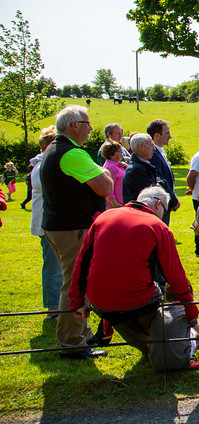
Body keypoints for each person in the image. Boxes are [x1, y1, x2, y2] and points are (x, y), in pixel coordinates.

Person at [68, 186, 197, 356]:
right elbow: (174, 274)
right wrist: (190, 307)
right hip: (137, 301)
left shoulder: (103, 217)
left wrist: (76, 301)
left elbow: (81, 262)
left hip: (98, 302)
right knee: (154, 294)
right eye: (165, 211)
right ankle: (162, 347)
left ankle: (124, 333)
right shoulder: (158, 227)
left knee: (127, 311)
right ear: (159, 204)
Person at [41, 105, 113, 359]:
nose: (91, 128)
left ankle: (80, 333)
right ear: (74, 126)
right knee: (75, 284)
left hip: (60, 226)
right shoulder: (72, 154)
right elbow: (105, 186)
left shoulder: (56, 149)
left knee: (73, 282)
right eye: (87, 123)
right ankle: (72, 343)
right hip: (71, 228)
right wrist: (103, 172)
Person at [29, 126, 62, 320]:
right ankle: (52, 310)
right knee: (53, 268)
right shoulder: (43, 166)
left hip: (52, 223)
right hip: (48, 225)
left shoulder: (43, 164)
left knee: (58, 267)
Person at [148, 283, 199, 372]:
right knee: (195, 333)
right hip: (180, 361)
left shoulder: (158, 312)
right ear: (189, 295)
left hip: (156, 363)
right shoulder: (185, 312)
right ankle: (190, 359)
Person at [147, 119, 180, 224]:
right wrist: (173, 200)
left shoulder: (159, 152)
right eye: (167, 133)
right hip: (159, 204)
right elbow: (160, 180)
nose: (170, 136)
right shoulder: (153, 155)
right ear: (156, 135)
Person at [122, 133, 161, 205]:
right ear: (141, 147)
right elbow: (152, 193)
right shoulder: (136, 170)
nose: (154, 149)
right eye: (151, 145)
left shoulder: (141, 165)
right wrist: (161, 184)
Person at [102, 142, 126, 209]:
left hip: (122, 203)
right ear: (111, 154)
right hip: (116, 206)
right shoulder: (110, 167)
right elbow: (108, 186)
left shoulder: (117, 165)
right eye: (119, 150)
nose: (122, 152)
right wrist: (114, 202)